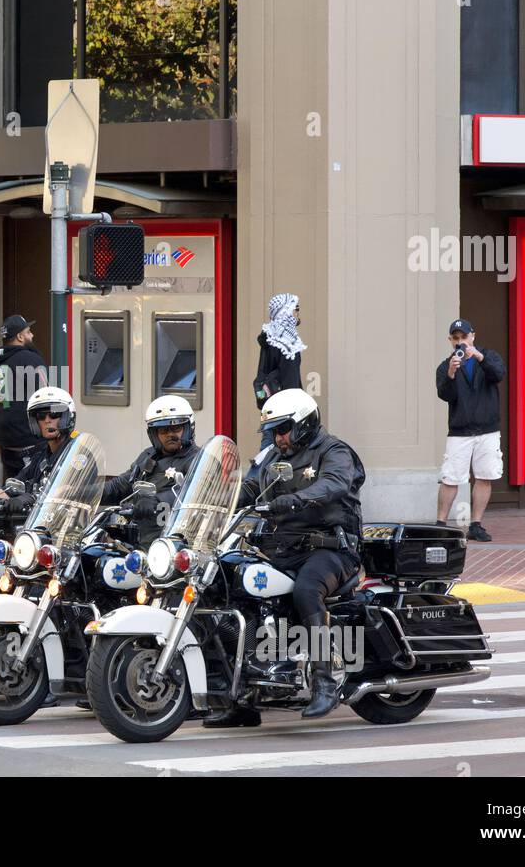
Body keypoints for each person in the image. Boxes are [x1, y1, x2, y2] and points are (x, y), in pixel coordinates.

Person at [211, 388, 364, 728]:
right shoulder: (270, 455)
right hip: (281, 549)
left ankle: (325, 679)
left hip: (331, 549)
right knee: (234, 591)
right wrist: (220, 499)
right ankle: (241, 699)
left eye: (283, 429)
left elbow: (336, 484)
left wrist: (295, 500)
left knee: (307, 590)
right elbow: (250, 487)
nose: (278, 437)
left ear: (305, 424)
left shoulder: (334, 450)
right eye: (274, 431)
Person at [435, 318, 505, 542]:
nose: (460, 342)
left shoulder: (488, 356)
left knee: (485, 476)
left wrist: (479, 356)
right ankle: (440, 524)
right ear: (450, 341)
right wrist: (451, 374)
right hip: (460, 431)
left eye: (463, 337)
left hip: (487, 429)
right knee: (451, 478)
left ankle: (475, 524)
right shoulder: (445, 366)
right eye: (455, 338)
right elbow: (445, 395)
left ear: (472, 336)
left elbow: (498, 374)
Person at [100, 395, 201, 547]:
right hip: (137, 541)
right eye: (163, 430)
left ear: (188, 428)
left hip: (175, 545)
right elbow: (119, 486)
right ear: (153, 434)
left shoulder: (198, 459)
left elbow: (196, 494)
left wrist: (157, 501)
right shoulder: (148, 457)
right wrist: (83, 492)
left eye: (176, 428)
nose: (170, 434)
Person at [0, 314, 48, 481]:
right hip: (31, 442)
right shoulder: (31, 359)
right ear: (20, 337)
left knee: (12, 489)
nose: (32, 335)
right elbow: (44, 397)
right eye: (29, 332)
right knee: (34, 490)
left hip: (6, 444)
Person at [253, 293, 307, 452]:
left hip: (269, 405)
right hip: (285, 411)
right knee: (283, 451)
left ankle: (258, 474)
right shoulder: (287, 343)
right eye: (295, 308)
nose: (297, 313)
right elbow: (291, 382)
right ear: (285, 312)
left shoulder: (270, 337)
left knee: (267, 449)